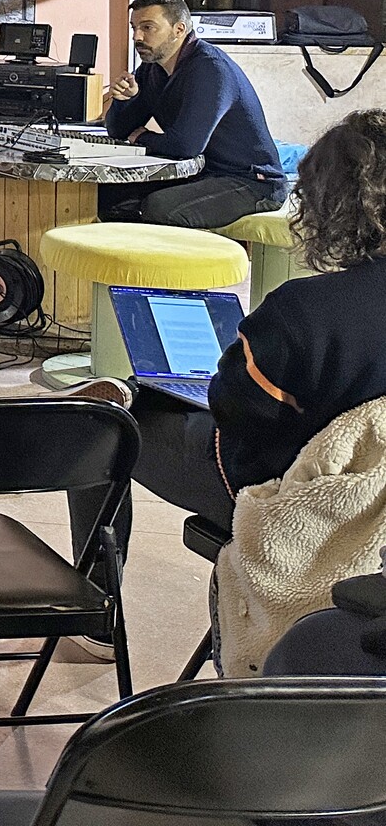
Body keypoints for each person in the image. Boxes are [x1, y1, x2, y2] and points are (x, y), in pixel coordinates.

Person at [69, 110, 386, 611]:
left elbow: (236, 412)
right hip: (376, 514)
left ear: (331, 203)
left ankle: (92, 609)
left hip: (298, 503)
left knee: (98, 423)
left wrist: (228, 369)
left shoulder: (303, 311)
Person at [98, 0, 285, 228]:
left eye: (148, 27)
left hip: (251, 182)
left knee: (159, 207)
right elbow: (118, 131)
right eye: (134, 28)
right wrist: (125, 99)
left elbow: (186, 145)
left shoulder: (209, 68)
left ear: (179, 29)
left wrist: (142, 137)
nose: (137, 37)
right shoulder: (152, 68)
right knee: (107, 194)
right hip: (204, 173)